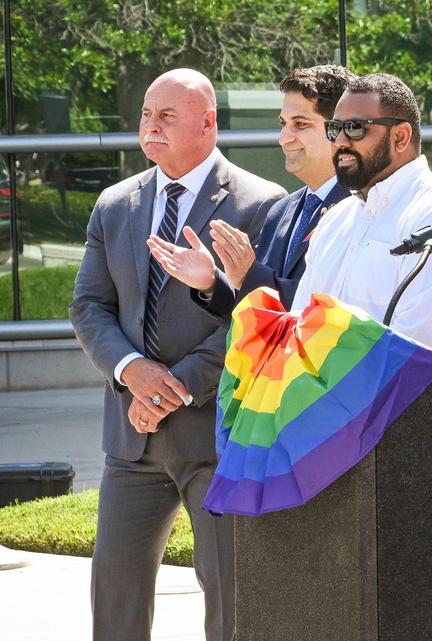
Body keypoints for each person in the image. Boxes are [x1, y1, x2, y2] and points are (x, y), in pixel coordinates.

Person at [69, 68, 286, 641]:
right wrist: (132, 372)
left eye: (167, 115)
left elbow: (254, 316)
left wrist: (177, 386)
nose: (152, 126)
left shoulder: (260, 204)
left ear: (207, 122)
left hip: (216, 436)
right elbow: (89, 306)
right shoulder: (115, 204)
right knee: (115, 592)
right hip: (131, 438)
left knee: (230, 596)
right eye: (147, 114)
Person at [296, 73, 432, 364]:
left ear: (400, 137)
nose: (340, 141)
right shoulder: (336, 220)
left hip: (408, 394)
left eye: (355, 128)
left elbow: (414, 353)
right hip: (320, 392)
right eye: (334, 129)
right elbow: (298, 327)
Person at [149, 65, 354, 316]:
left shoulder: (362, 209)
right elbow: (261, 310)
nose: (284, 138)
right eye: (283, 124)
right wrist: (213, 282)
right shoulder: (281, 211)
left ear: (338, 130)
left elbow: (330, 305)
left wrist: (249, 274)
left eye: (301, 124)